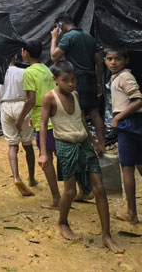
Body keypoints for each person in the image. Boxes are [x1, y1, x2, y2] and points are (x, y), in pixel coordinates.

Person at [38, 61, 122, 253]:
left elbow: (81, 119)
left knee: (99, 188)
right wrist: (43, 153)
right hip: (65, 145)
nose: (71, 84)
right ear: (55, 80)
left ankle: (106, 235)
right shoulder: (49, 98)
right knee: (69, 192)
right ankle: (62, 222)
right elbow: (43, 124)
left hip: (83, 143)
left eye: (73, 79)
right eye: (65, 80)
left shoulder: (76, 95)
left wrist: (93, 141)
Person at [17, 40, 61, 209]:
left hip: (43, 121)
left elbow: (31, 100)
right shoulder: (46, 69)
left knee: (47, 159)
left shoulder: (28, 72)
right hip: (53, 117)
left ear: (25, 53)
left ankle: (57, 198)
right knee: (63, 156)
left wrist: (21, 118)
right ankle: (83, 189)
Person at [51, 13, 105, 144]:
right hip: (91, 78)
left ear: (61, 24)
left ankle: (91, 143)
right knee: (94, 112)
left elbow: (53, 56)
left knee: (79, 113)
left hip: (76, 80)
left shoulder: (68, 37)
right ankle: (102, 144)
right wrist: (99, 83)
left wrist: (54, 38)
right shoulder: (89, 37)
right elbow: (99, 62)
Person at [0, 55, 36, 196]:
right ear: (15, 57)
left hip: (6, 106)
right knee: (28, 145)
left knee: (12, 145)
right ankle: (32, 178)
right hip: (23, 105)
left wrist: (1, 91)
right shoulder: (24, 72)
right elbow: (30, 93)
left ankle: (16, 177)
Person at [104, 48, 142, 225]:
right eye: (109, 59)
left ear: (126, 60)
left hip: (129, 124)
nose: (113, 62)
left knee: (127, 167)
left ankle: (132, 214)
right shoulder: (117, 77)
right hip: (135, 124)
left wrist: (118, 117)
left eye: (117, 59)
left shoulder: (125, 77)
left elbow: (138, 100)